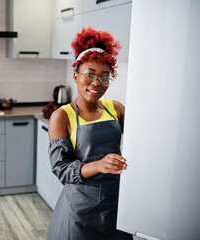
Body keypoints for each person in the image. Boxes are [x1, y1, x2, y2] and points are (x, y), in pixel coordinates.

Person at [47, 27, 133, 240]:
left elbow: (141, 142)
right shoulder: (62, 116)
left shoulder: (116, 109)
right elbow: (61, 169)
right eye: (90, 75)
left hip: (116, 203)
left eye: (104, 77)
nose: (97, 83)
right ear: (76, 76)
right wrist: (99, 165)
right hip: (80, 209)